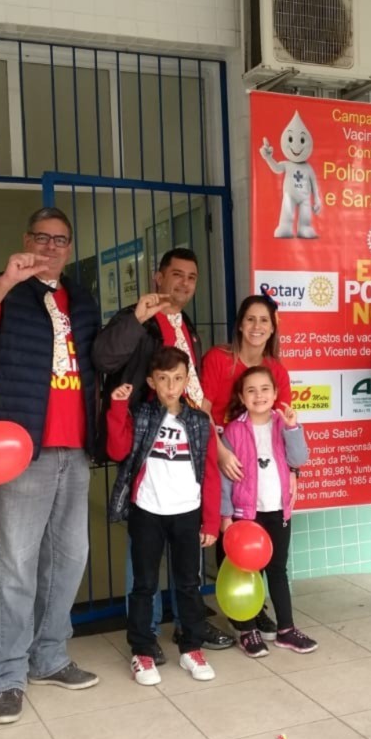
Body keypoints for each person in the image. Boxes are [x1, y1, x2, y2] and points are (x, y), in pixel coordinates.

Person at [0, 207, 102, 724]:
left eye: (59, 240)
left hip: (75, 450)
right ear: (26, 239)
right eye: (41, 237)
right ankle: (9, 674)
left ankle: (50, 656)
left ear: (69, 247)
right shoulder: (4, 287)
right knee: (16, 565)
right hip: (22, 449)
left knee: (70, 560)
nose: (50, 247)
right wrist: (5, 281)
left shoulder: (82, 299)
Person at [92, 247, 234, 654]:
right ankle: (147, 632)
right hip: (147, 436)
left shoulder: (186, 324)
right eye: (176, 274)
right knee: (146, 547)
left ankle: (191, 625)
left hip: (188, 435)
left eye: (191, 277)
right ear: (158, 276)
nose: (184, 283)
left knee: (187, 549)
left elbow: (191, 382)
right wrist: (136, 318)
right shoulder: (137, 317)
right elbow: (103, 357)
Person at [105, 347, 221, 685]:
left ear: (186, 381)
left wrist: (211, 521)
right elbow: (117, 450)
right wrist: (117, 408)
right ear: (151, 381)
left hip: (187, 512)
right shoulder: (141, 415)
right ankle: (142, 651)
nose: (171, 386)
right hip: (148, 511)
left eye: (178, 379)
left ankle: (191, 648)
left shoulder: (199, 422)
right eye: (163, 379)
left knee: (188, 584)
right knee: (144, 584)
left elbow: (211, 474)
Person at [200, 293, 292, 640]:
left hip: (260, 467)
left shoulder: (277, 370)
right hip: (221, 455)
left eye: (264, 320)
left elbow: (284, 426)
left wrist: (293, 474)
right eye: (250, 319)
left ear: (272, 328)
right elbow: (202, 409)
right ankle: (239, 613)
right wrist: (221, 452)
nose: (257, 326)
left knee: (263, 536)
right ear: (239, 324)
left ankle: (256, 607)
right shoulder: (218, 359)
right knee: (230, 532)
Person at [220, 365, 316, 657]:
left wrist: (293, 428)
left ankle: (286, 629)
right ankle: (247, 630)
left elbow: (299, 458)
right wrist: (226, 516)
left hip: (278, 511)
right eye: (251, 390)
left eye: (265, 389)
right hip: (246, 515)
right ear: (241, 396)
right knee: (245, 572)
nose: (258, 395)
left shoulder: (282, 424)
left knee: (277, 569)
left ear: (275, 394)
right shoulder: (234, 430)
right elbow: (225, 478)